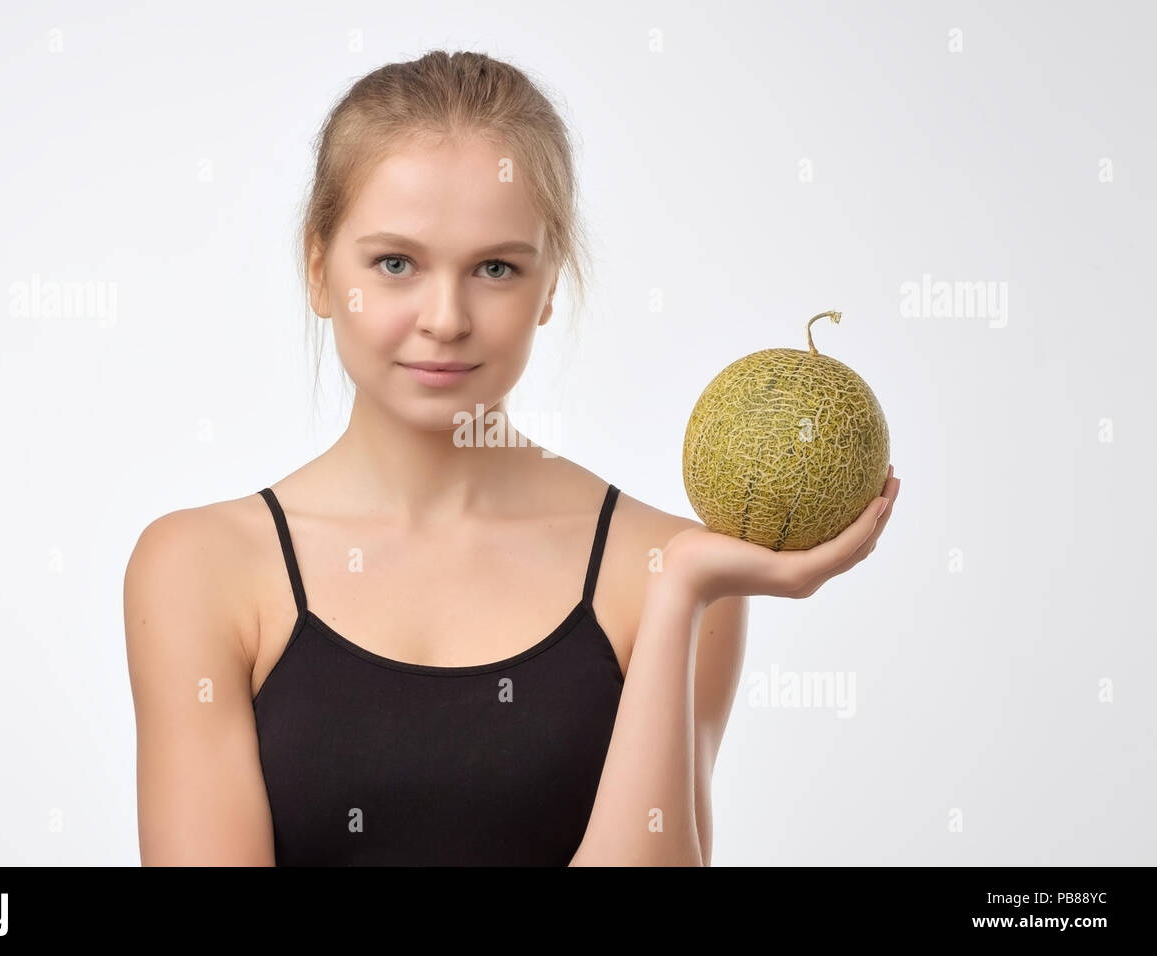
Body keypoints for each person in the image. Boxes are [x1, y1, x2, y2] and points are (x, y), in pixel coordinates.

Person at [124, 50, 900, 867]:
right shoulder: (198, 568)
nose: (447, 318)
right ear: (319, 270)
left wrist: (682, 599)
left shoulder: (666, 571)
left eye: (496, 268)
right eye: (396, 264)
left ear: (551, 283)